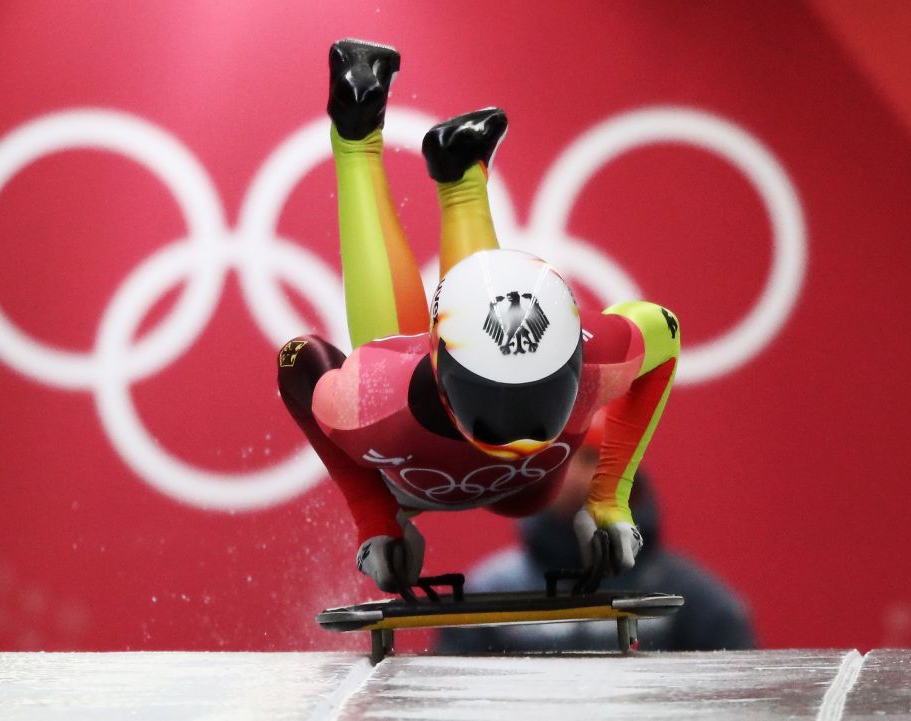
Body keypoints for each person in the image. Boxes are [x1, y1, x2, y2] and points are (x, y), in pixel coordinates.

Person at [277, 38, 681, 593]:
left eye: (533, 396)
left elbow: (298, 365)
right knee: (383, 368)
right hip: (450, 450)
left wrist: (612, 495)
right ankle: (426, 166)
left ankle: (379, 141)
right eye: (498, 402)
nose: (514, 430)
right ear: (440, 368)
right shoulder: (378, 398)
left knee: (387, 370)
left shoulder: (371, 402)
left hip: (442, 466)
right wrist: (374, 518)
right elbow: (662, 327)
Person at [436, 415, 757, 652]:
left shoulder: (694, 599)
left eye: (602, 460)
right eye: (576, 459)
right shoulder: (486, 596)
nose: (588, 474)